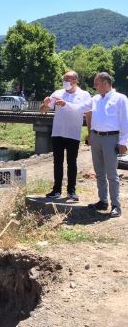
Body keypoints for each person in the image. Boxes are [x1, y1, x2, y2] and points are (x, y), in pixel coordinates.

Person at [40, 71, 92, 201]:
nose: (65, 81)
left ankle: (71, 191)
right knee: (57, 162)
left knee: (72, 163)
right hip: (57, 132)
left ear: (75, 80)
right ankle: (56, 190)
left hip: (73, 133)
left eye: (67, 79)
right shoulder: (57, 93)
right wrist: (45, 104)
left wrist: (90, 133)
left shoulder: (84, 94)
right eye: (64, 79)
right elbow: (43, 110)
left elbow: (88, 113)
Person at [85, 72, 128, 218]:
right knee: (99, 172)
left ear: (105, 83)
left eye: (96, 83)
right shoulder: (96, 99)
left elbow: (125, 121)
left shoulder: (120, 99)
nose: (94, 86)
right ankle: (103, 201)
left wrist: (123, 142)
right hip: (96, 137)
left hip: (111, 138)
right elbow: (85, 111)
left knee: (112, 173)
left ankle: (116, 205)